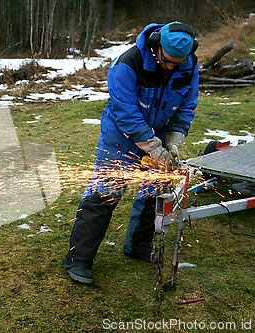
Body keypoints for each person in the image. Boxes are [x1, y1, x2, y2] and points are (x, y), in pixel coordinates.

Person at [61, 21, 199, 284]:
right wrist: (152, 146)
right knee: (105, 193)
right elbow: (126, 113)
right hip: (121, 137)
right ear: (156, 44)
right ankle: (78, 259)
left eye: (177, 63)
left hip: (159, 135)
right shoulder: (127, 63)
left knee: (154, 193)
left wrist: (172, 143)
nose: (171, 67)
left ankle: (138, 245)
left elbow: (186, 107)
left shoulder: (189, 65)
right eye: (166, 61)